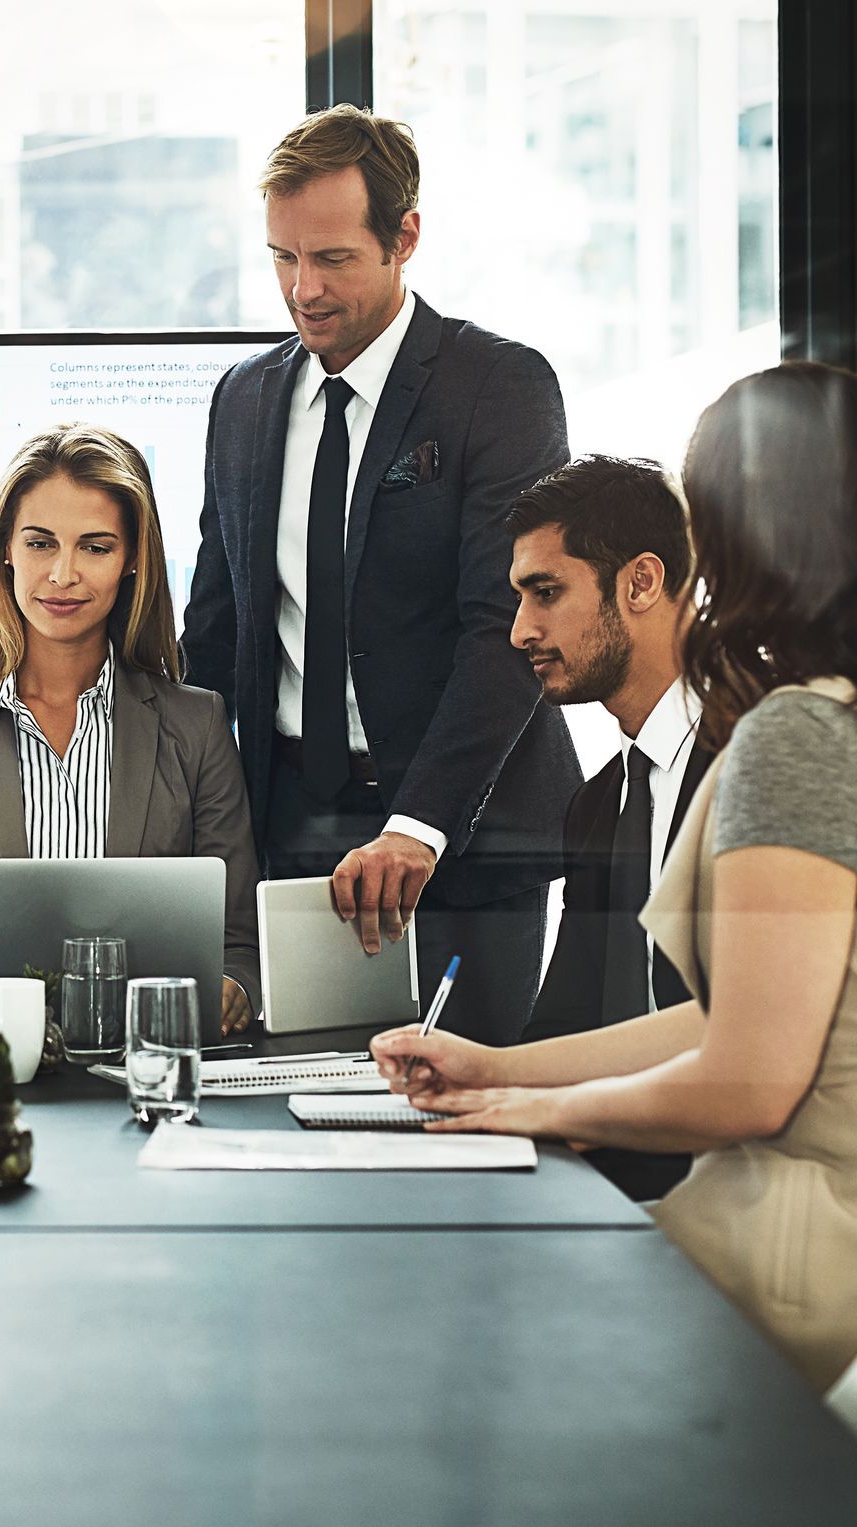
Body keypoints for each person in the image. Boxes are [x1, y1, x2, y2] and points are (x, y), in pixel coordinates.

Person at [374, 362, 857, 1392]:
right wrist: (496, 1073)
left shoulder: (794, 736)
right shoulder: (821, 716)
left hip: (798, 1250)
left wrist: (530, 1111)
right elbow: (734, 1022)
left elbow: (752, 1080)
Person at [180, 105, 579, 1044]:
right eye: (282, 257)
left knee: (465, 1135)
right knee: (289, 1121)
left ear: (404, 238)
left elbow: (507, 628)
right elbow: (216, 627)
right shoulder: (243, 398)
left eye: (331, 259)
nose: (302, 290)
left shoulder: (499, 387)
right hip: (292, 831)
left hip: (460, 836)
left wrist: (419, 826)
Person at [0, 423, 262, 1035]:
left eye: (95, 547)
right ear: (6, 551)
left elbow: (237, 946)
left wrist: (229, 989)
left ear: (131, 562)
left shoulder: (195, 725)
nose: (63, 574)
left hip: (141, 1069)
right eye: (41, 543)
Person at [506, 454, 709, 1199]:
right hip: (619, 1183)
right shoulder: (598, 802)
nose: (520, 630)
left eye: (546, 593)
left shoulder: (754, 758)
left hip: (735, 1181)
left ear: (642, 582)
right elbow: (565, 1031)